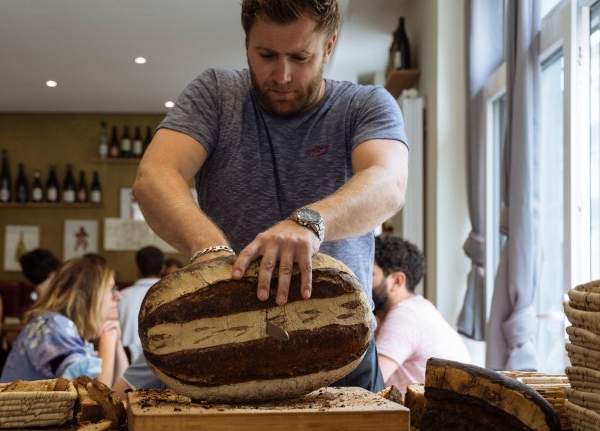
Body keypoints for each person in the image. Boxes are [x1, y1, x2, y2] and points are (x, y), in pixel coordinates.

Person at [130, 0, 408, 392]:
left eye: (300, 56)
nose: (282, 75)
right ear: (247, 44)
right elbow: (153, 176)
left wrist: (310, 223)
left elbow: (389, 181)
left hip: (340, 346)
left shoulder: (364, 105)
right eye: (266, 55)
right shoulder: (216, 94)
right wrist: (209, 250)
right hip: (223, 347)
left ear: (328, 47)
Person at [0, 254, 130, 397]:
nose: (118, 296)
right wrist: (108, 340)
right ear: (87, 295)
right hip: (21, 418)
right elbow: (92, 399)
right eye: (111, 289)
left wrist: (115, 341)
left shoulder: (68, 328)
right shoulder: (52, 327)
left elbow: (121, 390)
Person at [372, 235, 471, 393]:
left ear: (397, 281)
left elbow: (367, 384)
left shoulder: (407, 314)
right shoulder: (386, 315)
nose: (360, 280)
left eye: (370, 274)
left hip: (439, 416)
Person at [117, 246, 163, 362]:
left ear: (137, 269)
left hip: (125, 365)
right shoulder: (174, 296)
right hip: (165, 367)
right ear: (163, 268)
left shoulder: (119, 297)